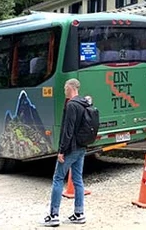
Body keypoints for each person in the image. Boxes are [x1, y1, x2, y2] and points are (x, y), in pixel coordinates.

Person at [42, 79, 90, 227]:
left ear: (71, 87)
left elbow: (68, 131)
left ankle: (54, 215)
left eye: (65, 87)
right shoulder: (84, 103)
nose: (64, 90)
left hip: (71, 148)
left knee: (58, 178)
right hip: (82, 147)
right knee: (78, 180)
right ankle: (79, 213)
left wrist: (62, 151)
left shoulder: (72, 105)